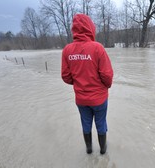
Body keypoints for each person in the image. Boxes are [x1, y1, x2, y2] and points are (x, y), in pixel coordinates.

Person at [61, 14, 113, 155]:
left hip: (81, 99)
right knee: (101, 123)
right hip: (99, 98)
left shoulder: (67, 50)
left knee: (86, 123)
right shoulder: (97, 48)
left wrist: (78, 81)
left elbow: (65, 77)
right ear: (90, 28)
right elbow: (107, 76)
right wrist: (104, 86)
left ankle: (89, 150)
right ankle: (103, 150)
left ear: (74, 29)